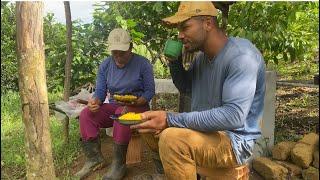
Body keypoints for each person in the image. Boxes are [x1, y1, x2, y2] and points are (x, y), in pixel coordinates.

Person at [131, 2, 266, 179]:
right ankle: (168, 173)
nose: (180, 36)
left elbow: (233, 116)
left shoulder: (242, 56)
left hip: (233, 141)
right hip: (206, 133)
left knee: (171, 139)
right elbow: (186, 87)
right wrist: (175, 62)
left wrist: (170, 119)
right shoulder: (202, 58)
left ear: (208, 23)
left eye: (185, 27)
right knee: (147, 123)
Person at [75, 28, 155, 180]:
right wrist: (95, 102)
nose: (118, 57)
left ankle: (119, 164)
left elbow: (150, 91)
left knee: (122, 114)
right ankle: (94, 159)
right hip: (114, 105)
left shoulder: (143, 64)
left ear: (130, 47)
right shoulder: (105, 65)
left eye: (122, 53)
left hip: (138, 107)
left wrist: (137, 101)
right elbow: (100, 92)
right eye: (114, 53)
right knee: (86, 114)